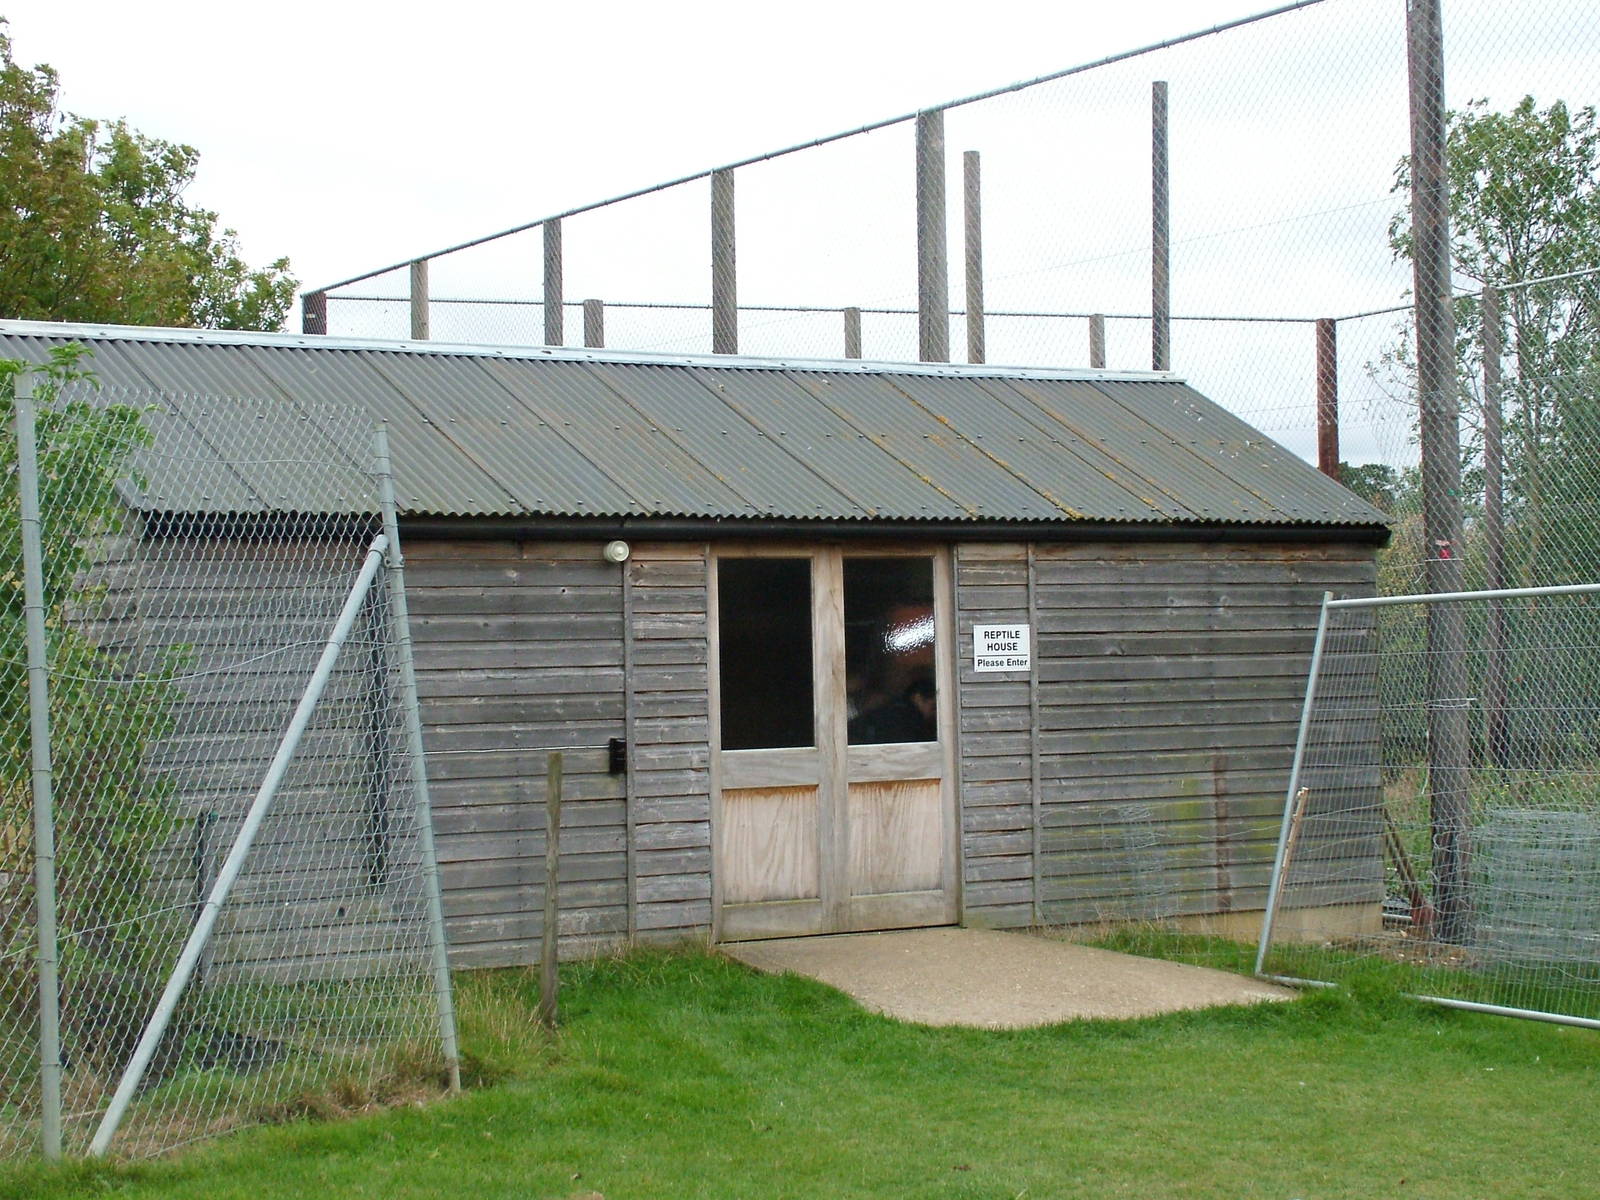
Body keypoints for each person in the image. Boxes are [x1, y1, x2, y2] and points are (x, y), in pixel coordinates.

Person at [848, 676, 936, 744]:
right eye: (933, 707)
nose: (934, 714)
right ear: (918, 698)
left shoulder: (889, 710)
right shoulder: (908, 720)